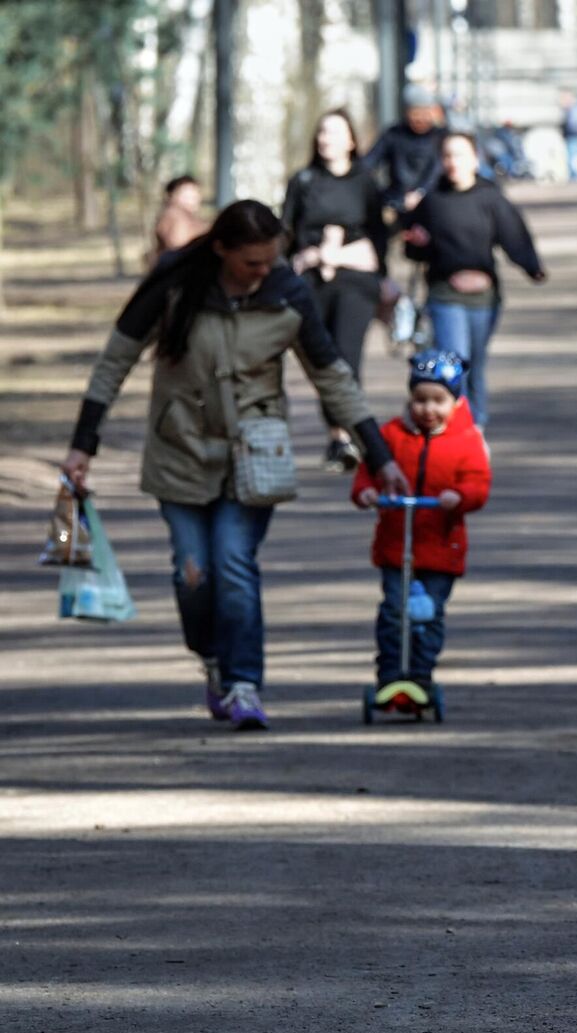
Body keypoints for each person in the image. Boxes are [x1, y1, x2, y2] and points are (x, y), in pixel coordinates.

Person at [60, 200, 410, 731]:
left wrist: (378, 455)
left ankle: (245, 684)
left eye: (270, 260)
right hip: (180, 450)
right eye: (252, 262)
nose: (263, 271)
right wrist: (84, 443)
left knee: (233, 562)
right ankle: (214, 660)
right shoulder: (175, 285)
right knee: (192, 573)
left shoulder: (286, 294)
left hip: (254, 456)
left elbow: (332, 377)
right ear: (221, 249)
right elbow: (115, 361)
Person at [351, 351, 490, 695]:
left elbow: (478, 482)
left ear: (456, 402)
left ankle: (420, 674)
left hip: (441, 548)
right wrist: (367, 492)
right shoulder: (393, 436)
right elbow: (369, 470)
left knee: (428, 616)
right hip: (397, 545)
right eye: (420, 400)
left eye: (438, 401)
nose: (428, 409)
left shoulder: (467, 440)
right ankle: (389, 675)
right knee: (394, 613)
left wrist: (459, 496)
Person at [402, 132, 546, 430]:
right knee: (456, 361)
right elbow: (413, 248)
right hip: (445, 294)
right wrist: (416, 242)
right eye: (448, 156)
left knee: (476, 366)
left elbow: (514, 236)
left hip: (485, 298)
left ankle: (476, 427)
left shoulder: (490, 197)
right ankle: (459, 428)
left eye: (460, 155)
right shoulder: (432, 201)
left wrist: (532, 267)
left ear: (474, 159)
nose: (453, 163)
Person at [283, 108, 389, 473]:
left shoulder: (366, 181)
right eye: (322, 132)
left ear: (352, 140)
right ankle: (336, 435)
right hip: (311, 281)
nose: (327, 139)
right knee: (321, 359)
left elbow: (379, 233)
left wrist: (383, 279)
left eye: (336, 132)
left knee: (345, 358)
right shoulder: (303, 180)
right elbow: (286, 231)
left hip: (355, 281)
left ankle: (349, 435)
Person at [364, 85, 447, 212]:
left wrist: (420, 192)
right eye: (415, 113)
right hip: (397, 203)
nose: (420, 118)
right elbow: (368, 163)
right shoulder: (393, 135)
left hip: (434, 204)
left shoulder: (441, 137)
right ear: (406, 112)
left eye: (425, 112)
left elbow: (438, 168)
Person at [150, 175, 208, 265]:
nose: (193, 198)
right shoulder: (174, 217)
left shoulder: (189, 217)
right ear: (172, 195)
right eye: (187, 195)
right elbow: (178, 249)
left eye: (195, 193)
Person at [559, 90, 577, 182]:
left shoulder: (575, 109)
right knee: (573, 157)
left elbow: (574, 124)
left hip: (573, 136)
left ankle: (576, 175)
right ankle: (575, 175)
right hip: (571, 136)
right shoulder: (571, 109)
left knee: (574, 158)